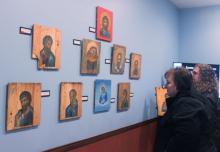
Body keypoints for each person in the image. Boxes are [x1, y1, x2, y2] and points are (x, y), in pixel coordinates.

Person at [155, 67, 216, 152]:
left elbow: (184, 139)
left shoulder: (187, 104)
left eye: (168, 83)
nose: (165, 86)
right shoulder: (193, 97)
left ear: (178, 85)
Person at [192, 64, 220, 152]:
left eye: (195, 73)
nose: (192, 75)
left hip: (206, 143)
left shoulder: (208, 96)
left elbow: (207, 123)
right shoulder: (204, 93)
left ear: (204, 76)